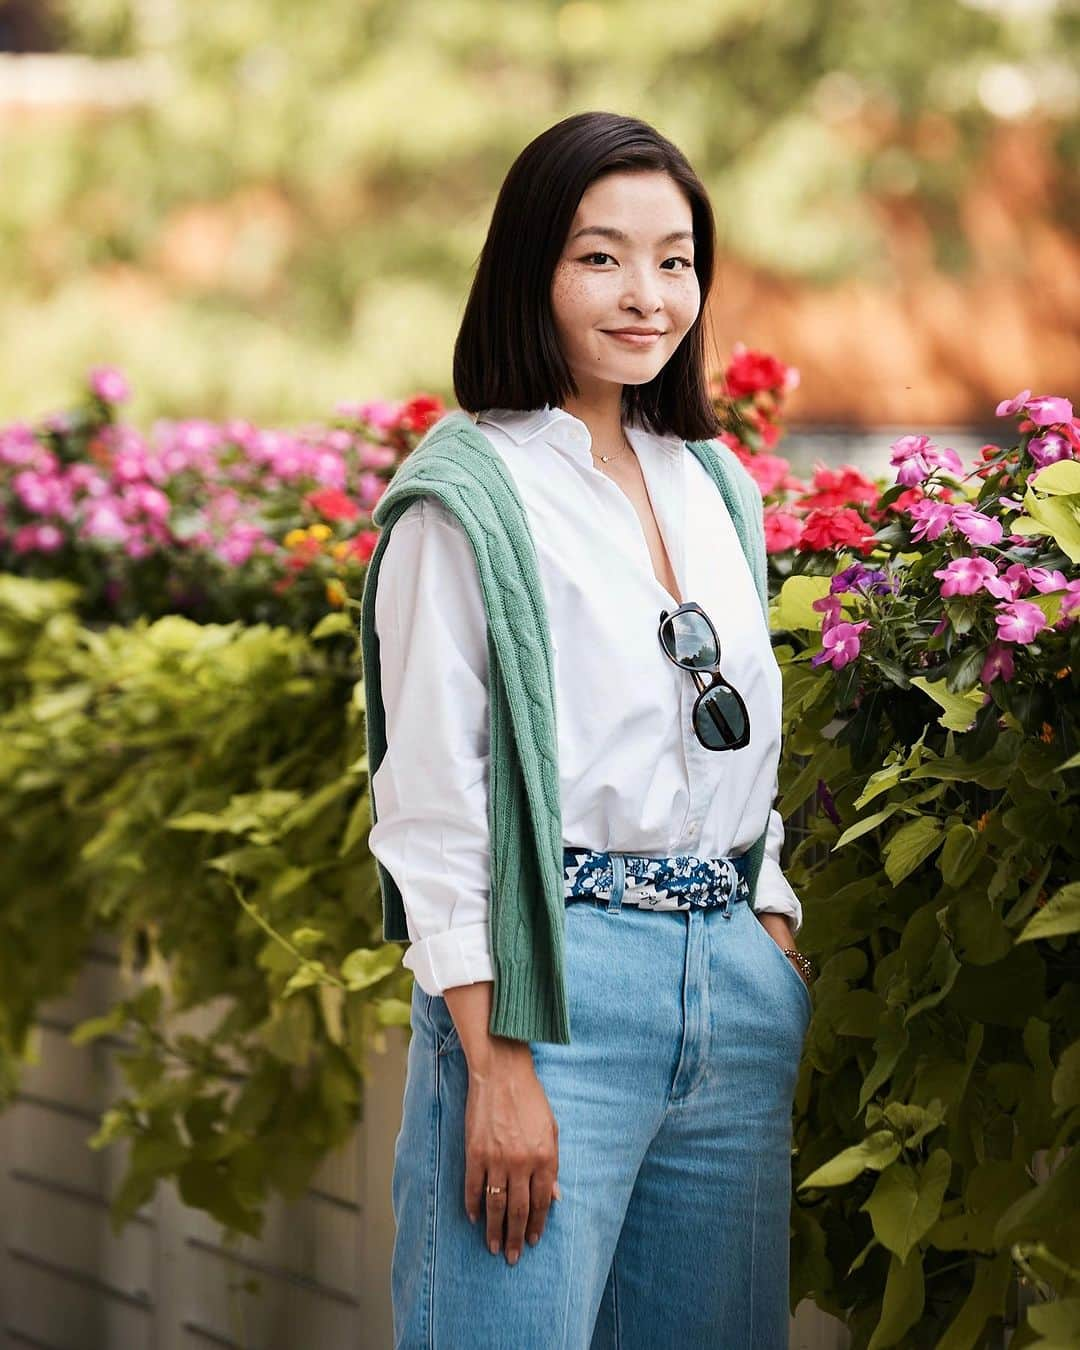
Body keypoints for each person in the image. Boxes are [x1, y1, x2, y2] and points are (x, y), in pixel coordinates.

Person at [361, 110, 815, 1350]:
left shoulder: (712, 479)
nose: (646, 294)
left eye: (675, 260)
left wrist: (767, 916)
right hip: (548, 995)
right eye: (600, 256)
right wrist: (497, 1064)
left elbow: (743, 737)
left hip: (730, 980)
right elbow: (434, 801)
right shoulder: (466, 497)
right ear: (531, 271)